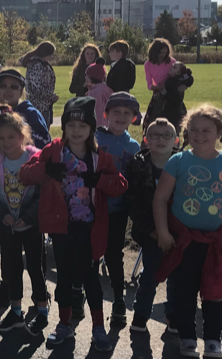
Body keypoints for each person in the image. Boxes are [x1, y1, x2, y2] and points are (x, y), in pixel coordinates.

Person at [20, 97, 127, 352]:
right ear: (64, 127)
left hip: (89, 228)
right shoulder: (54, 151)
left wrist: (99, 180)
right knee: (65, 277)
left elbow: (120, 185)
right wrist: (47, 169)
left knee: (90, 278)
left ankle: (98, 328)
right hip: (60, 228)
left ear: (91, 129)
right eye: (70, 125)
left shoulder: (99, 157)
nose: (76, 131)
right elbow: (25, 174)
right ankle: (65, 325)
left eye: (82, 126)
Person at [153, 105, 222, 358]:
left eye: (206, 130)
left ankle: (214, 339)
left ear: (218, 133)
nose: (199, 134)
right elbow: (160, 198)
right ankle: (187, 337)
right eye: (193, 129)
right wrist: (162, 232)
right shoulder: (178, 161)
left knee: (215, 292)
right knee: (185, 290)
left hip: (216, 242)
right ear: (186, 132)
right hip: (184, 239)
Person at [0, 110, 48, 336]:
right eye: (1, 138)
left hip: (31, 225)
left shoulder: (36, 159)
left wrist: (30, 216)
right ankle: (16, 311)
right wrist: (0, 213)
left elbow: (44, 194)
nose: (6, 142)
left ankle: (42, 311)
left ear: (22, 136)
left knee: (35, 268)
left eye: (11, 137)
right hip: (8, 225)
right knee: (12, 268)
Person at [126, 118, 178, 334]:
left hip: (179, 232)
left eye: (167, 136)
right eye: (155, 135)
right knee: (150, 275)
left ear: (176, 140)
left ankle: (174, 317)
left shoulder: (183, 164)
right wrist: (151, 230)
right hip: (150, 232)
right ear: (145, 140)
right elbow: (133, 201)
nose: (161, 140)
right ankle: (140, 316)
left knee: (177, 276)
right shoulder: (137, 165)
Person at [94, 92, 141, 325]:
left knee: (114, 254)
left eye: (127, 113)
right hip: (91, 207)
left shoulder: (134, 146)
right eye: (116, 112)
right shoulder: (93, 138)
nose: (121, 117)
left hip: (118, 209)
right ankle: (82, 294)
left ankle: (118, 301)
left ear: (134, 118)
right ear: (106, 115)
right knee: (90, 253)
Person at [0, 69, 51, 149]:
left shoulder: (31, 114)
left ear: (21, 92)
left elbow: (46, 143)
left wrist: (20, 127)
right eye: (3, 86)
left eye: (14, 87)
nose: (8, 90)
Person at [142, 38, 177, 131]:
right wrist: (155, 87)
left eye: (165, 52)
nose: (163, 55)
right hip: (158, 92)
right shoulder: (148, 65)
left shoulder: (171, 62)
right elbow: (149, 83)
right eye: (161, 52)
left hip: (171, 93)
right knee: (153, 117)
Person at [21, 42, 58, 128]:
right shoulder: (37, 66)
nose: (52, 57)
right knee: (40, 131)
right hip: (39, 106)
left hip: (44, 105)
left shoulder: (40, 64)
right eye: (51, 54)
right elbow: (37, 89)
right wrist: (52, 97)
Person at [160, 62, 194, 136]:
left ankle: (175, 142)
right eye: (172, 66)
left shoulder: (181, 79)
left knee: (175, 127)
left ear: (179, 72)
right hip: (168, 107)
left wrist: (185, 85)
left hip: (177, 108)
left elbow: (190, 78)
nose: (171, 68)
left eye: (174, 68)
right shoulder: (170, 81)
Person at [85, 58, 113, 128]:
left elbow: (96, 111)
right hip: (106, 122)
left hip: (98, 125)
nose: (85, 78)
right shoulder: (105, 88)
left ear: (93, 78)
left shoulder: (95, 92)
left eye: (87, 76)